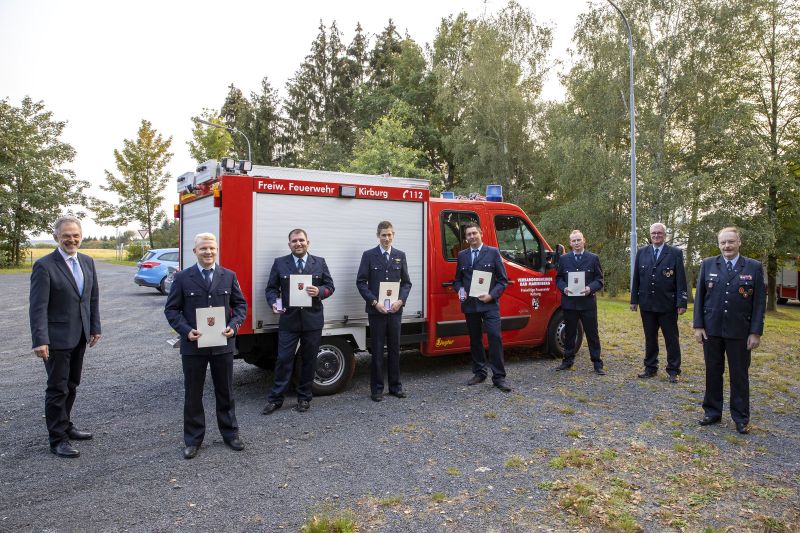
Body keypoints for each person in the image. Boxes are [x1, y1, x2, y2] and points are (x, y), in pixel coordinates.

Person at [164, 233, 247, 459]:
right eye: (203, 249)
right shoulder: (182, 278)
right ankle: (193, 440)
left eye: (211, 248)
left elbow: (240, 305)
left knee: (225, 392)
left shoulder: (228, 276)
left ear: (216, 249)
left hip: (223, 345)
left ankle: (231, 435)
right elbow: (171, 310)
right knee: (193, 394)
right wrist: (185, 330)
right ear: (195, 252)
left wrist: (234, 325)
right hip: (194, 347)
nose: (208, 252)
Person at [29, 216, 101, 458]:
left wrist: (95, 327)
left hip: (80, 335)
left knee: (72, 385)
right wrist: (40, 339)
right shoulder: (44, 265)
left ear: (81, 236)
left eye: (75, 235)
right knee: (57, 389)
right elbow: (37, 306)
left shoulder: (88, 262)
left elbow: (92, 298)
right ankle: (57, 439)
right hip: (56, 338)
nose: (71, 239)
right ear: (56, 237)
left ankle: (66, 424)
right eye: (66, 235)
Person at [693, 227, 765, 434]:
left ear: (739, 242)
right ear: (719, 244)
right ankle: (712, 412)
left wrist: (755, 332)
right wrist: (698, 325)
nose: (727, 246)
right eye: (723, 242)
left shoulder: (753, 266)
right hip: (712, 330)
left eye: (731, 242)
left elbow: (759, 303)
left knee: (739, 375)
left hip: (740, 332)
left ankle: (741, 417)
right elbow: (700, 298)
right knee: (713, 371)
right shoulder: (708, 264)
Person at [263, 229, 335, 414]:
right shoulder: (280, 263)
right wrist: (274, 303)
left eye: (301, 240)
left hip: (312, 320)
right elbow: (271, 289)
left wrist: (319, 291)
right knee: (283, 359)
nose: (298, 243)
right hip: (289, 320)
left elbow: (330, 287)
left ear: (308, 242)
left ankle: (304, 397)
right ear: (289, 244)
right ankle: (276, 399)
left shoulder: (319, 262)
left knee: (309, 360)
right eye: (294, 241)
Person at [356, 221, 412, 402]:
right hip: (376, 311)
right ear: (378, 236)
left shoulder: (400, 255)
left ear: (393, 235)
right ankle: (377, 389)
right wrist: (373, 302)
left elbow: (406, 283)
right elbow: (361, 282)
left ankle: (395, 387)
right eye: (383, 235)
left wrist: (401, 301)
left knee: (395, 350)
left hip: (395, 311)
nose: (386, 238)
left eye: (389, 235)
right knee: (378, 350)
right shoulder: (369, 255)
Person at [453, 222, 511, 392]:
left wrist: (491, 295)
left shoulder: (492, 252)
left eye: (474, 233)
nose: (471, 237)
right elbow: (457, 280)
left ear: (481, 233)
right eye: (468, 234)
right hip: (471, 305)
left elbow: (502, 280)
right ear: (466, 238)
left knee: (494, 337)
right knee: (475, 339)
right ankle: (480, 372)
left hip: (490, 304)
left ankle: (499, 377)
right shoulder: (462, 255)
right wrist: (460, 290)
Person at [630, 223, 688, 383]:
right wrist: (634, 300)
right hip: (647, 304)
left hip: (667, 304)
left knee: (671, 338)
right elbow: (636, 278)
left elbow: (680, 279)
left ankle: (673, 370)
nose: (656, 235)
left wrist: (681, 302)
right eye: (653, 233)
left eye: (659, 233)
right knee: (650, 337)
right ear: (650, 235)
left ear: (665, 235)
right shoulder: (642, 252)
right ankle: (650, 367)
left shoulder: (675, 253)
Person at [555, 230, 606, 374]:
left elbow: (600, 280)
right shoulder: (564, 259)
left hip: (587, 303)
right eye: (573, 241)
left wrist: (590, 288)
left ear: (584, 240)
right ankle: (567, 361)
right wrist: (564, 288)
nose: (576, 243)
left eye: (578, 240)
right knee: (570, 333)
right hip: (569, 303)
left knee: (592, 333)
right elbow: (558, 278)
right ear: (570, 243)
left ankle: (597, 363)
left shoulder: (593, 258)